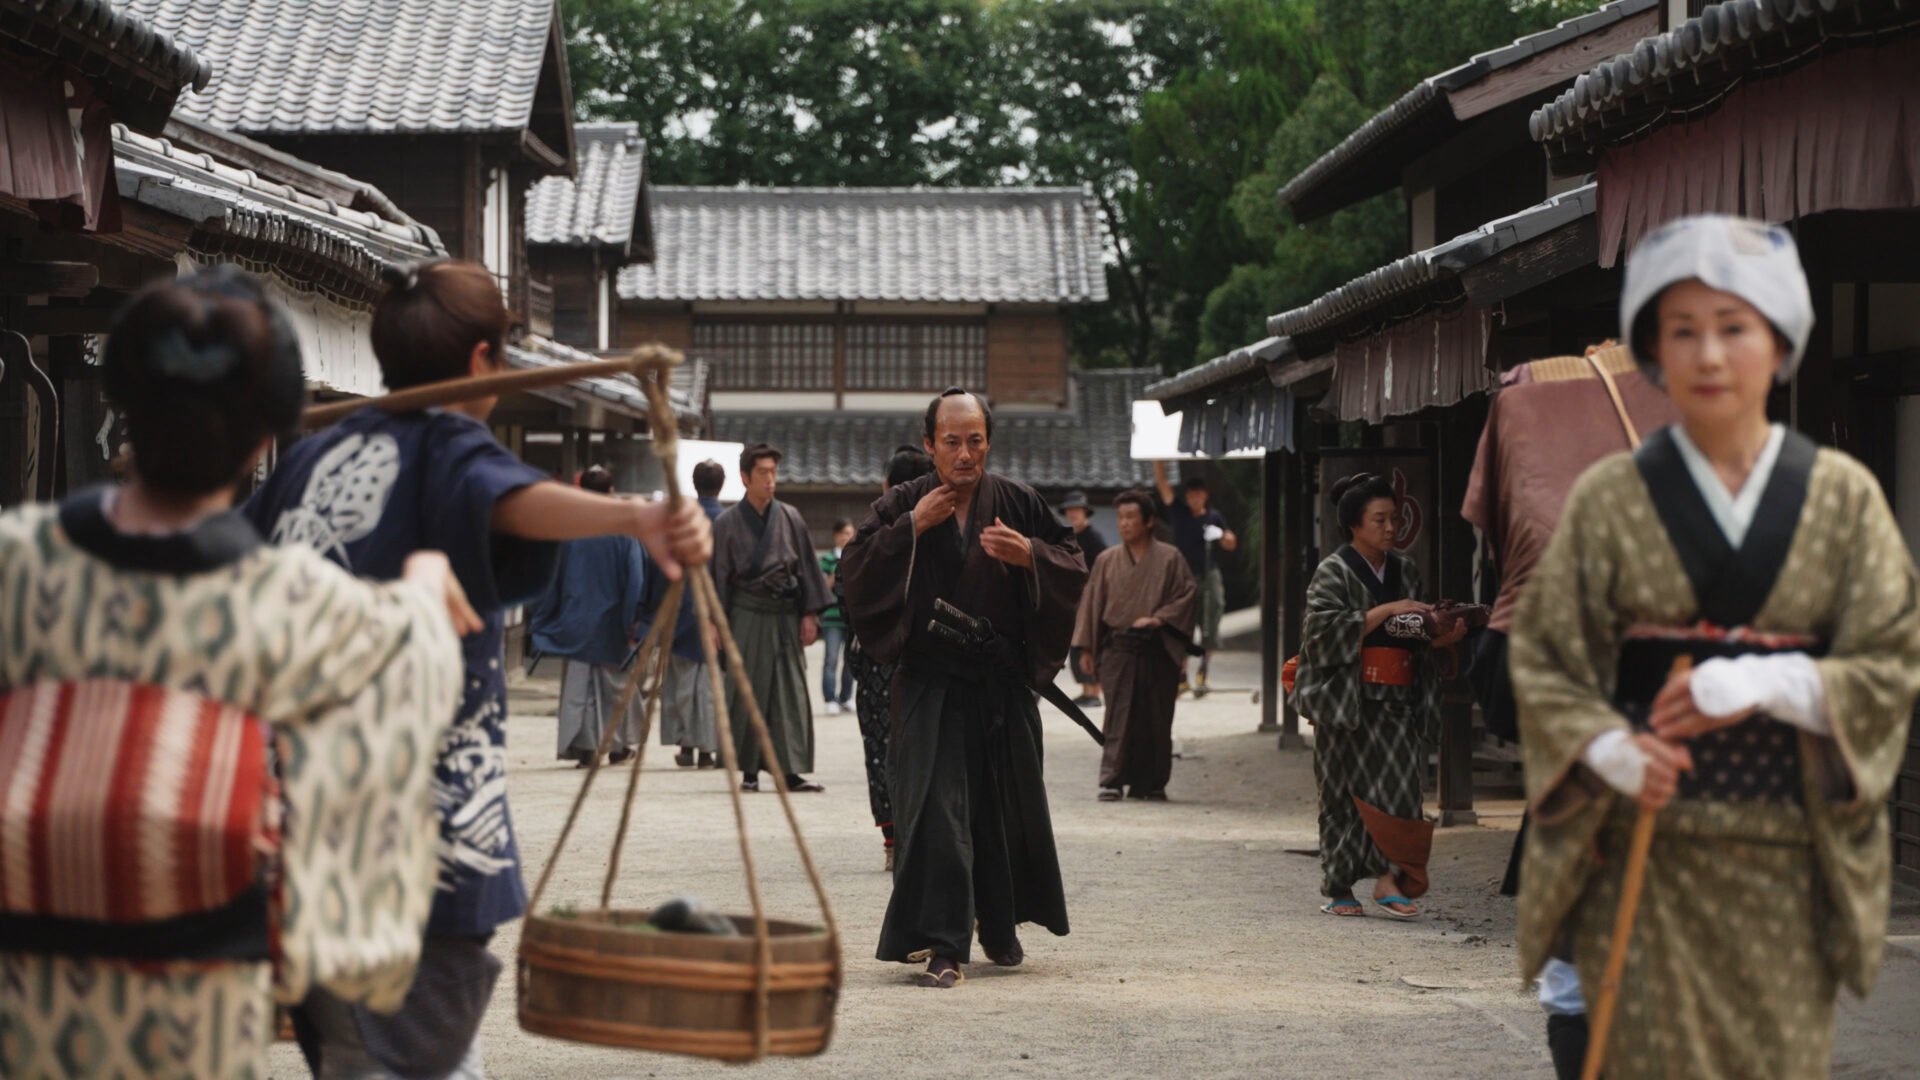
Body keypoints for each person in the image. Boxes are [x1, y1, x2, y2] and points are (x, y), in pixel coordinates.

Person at [0, 268, 469, 1079]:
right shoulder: (300, 607)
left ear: (126, 419)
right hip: (198, 1014)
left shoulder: (17, 563)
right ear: (264, 442)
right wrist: (425, 582)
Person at [248, 259, 711, 1079]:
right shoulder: (449, 446)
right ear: (481, 361)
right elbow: (506, 496)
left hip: (303, 839)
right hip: (419, 843)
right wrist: (637, 515)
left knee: (357, 1062)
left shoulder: (303, 463)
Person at [1510, 215, 1920, 1079]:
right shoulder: (1611, 501)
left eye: (1735, 328)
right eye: (1682, 331)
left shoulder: (1841, 499)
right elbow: (1546, 658)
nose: (1708, 355)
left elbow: (1889, 663)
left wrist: (1770, 682)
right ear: (1653, 351)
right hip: (1634, 840)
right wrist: (1608, 748)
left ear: (1780, 344)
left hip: (1779, 855)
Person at [841, 388, 1088, 989]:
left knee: (1001, 808)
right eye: (951, 441)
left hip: (998, 683)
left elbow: (1073, 563)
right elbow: (853, 573)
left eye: (975, 440)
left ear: (988, 442)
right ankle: (944, 940)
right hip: (929, 682)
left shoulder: (1017, 501)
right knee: (935, 812)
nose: (964, 453)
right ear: (930, 445)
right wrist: (908, 529)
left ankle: (999, 926)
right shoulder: (904, 501)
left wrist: (1031, 555)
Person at [1292, 473, 1465, 919]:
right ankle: (1340, 884)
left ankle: (1392, 878)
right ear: (1355, 524)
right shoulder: (1332, 570)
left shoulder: (1405, 568)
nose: (1390, 528)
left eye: (1395, 519)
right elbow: (1319, 634)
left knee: (1402, 790)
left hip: (1398, 696)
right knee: (1341, 793)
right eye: (1380, 520)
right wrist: (1387, 609)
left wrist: (1443, 635)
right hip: (1347, 700)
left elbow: (1417, 635)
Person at [712, 442, 833, 793]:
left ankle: (790, 769)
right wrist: (713, 622)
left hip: (784, 614)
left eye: (774, 473)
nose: (770, 480)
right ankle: (749, 770)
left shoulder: (791, 517)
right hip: (747, 614)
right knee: (748, 689)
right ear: (745, 478)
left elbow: (808, 567)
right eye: (763, 473)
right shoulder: (727, 523)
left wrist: (809, 613)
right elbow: (716, 575)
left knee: (789, 692)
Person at [845, 445, 937, 870]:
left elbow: (851, 588)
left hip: (883, 658)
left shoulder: (879, 526)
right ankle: (922, 837)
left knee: (883, 747)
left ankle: (895, 840)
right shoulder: (944, 523)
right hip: (928, 652)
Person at [1072, 489, 1195, 801]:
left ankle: (1152, 782)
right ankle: (1113, 778)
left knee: (1157, 716)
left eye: (1131, 517)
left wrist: (1159, 619)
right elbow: (1092, 604)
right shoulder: (1107, 560)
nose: (1124, 524)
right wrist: (1087, 648)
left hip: (1158, 645)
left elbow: (1186, 596)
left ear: (1149, 521)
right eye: (1120, 518)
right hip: (1119, 647)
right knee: (1119, 714)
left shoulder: (1170, 558)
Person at [530, 465, 648, 768]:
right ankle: (618, 745)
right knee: (616, 686)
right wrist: (631, 622)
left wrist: (546, 618)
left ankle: (585, 747)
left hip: (576, 619)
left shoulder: (569, 530)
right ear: (611, 492)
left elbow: (550, 579)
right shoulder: (624, 532)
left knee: (580, 688)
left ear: (582, 490)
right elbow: (635, 581)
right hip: (612, 624)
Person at [658, 459, 728, 768]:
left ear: (694, 483)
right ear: (722, 485)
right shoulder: (730, 522)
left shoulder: (680, 521)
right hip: (717, 612)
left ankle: (686, 744)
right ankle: (709, 749)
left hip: (681, 610)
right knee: (712, 685)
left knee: (682, 684)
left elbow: (661, 569)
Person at [1153, 462, 1236, 695]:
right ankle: (1181, 674)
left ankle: (1204, 669)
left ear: (1205, 496)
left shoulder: (1214, 517)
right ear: (1187, 496)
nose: (1194, 499)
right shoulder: (1179, 511)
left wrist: (1221, 535)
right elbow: (1163, 486)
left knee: (1212, 616)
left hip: (1209, 573)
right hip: (1184, 576)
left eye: (1198, 495)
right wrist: (1157, 459)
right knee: (1182, 623)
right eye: (1191, 495)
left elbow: (1231, 542)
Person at [1060, 489, 1109, 708]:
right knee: (1075, 642)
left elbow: (1104, 565)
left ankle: (1095, 691)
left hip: (1091, 596)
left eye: (1077, 510)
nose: (1073, 514)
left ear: (1085, 512)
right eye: (1070, 510)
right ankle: (1086, 689)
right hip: (1074, 596)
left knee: (1089, 640)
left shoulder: (1094, 537)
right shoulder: (1069, 536)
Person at [818, 518, 857, 715]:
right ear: (835, 536)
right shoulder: (825, 560)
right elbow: (823, 587)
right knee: (831, 659)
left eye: (849, 533)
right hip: (832, 618)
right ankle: (830, 698)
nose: (846, 537)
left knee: (850, 660)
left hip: (851, 619)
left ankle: (846, 697)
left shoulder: (858, 557)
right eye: (842, 533)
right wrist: (839, 567)